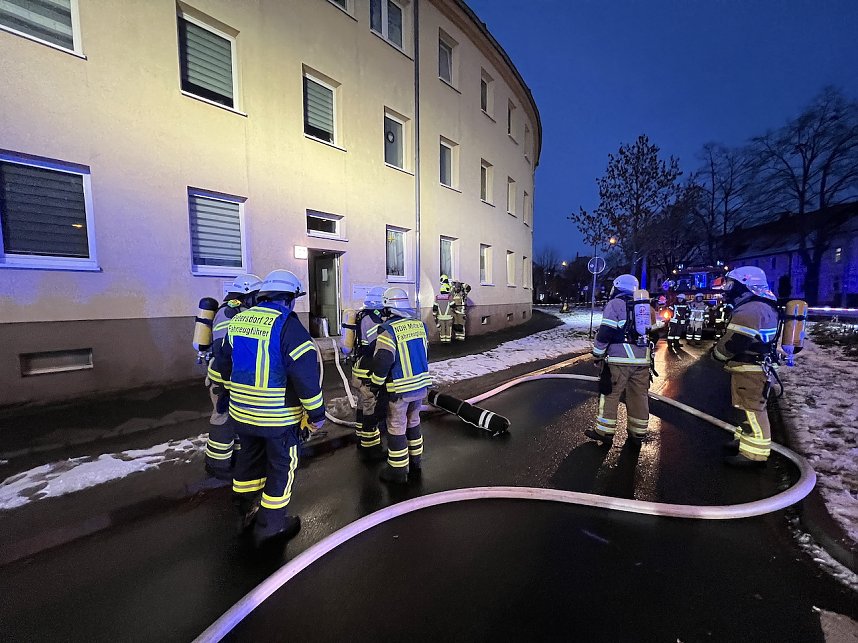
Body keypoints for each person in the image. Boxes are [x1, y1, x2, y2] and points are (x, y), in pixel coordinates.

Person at [211, 269, 325, 547]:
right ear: (288, 298)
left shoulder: (239, 321)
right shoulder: (288, 326)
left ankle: (247, 509)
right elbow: (305, 377)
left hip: (242, 415)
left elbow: (222, 364)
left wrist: (229, 395)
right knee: (280, 468)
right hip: (277, 418)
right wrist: (317, 414)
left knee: (249, 460)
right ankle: (271, 526)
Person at [711, 266, 780, 467]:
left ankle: (755, 456)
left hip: (751, 368)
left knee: (752, 408)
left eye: (731, 284)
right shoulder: (760, 306)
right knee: (743, 407)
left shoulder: (751, 309)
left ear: (746, 285)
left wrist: (717, 355)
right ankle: (744, 441)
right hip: (750, 366)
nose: (727, 289)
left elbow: (735, 342)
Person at [585, 274, 657, 447]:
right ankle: (637, 434)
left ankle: (604, 432)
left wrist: (597, 353)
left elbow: (606, 332)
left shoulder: (615, 304)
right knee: (639, 396)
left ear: (617, 287)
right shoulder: (647, 308)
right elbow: (653, 334)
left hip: (619, 360)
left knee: (610, 394)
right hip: (642, 362)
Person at [204, 274, 262, 480]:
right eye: (256, 295)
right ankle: (216, 464)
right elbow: (222, 351)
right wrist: (228, 385)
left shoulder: (242, 311)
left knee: (237, 418)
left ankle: (235, 458)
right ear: (247, 293)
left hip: (235, 379)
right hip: (222, 379)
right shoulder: (228, 313)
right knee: (222, 417)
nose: (259, 299)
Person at [370, 287, 431, 484]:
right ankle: (416, 462)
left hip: (399, 390)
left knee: (396, 426)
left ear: (388, 309)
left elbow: (383, 361)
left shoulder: (388, 331)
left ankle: (397, 471)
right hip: (420, 385)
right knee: (413, 422)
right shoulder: (420, 325)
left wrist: (375, 385)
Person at [348, 286, 388, 460]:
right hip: (368, 368)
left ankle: (360, 436)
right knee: (370, 405)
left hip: (359, 367)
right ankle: (370, 446)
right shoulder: (373, 320)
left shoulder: (362, 315)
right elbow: (375, 345)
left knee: (362, 404)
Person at [432, 275, 454, 343]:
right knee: (448, 329)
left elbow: (435, 307)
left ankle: (443, 341)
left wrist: (434, 315)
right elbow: (453, 306)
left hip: (440, 317)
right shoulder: (449, 297)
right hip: (449, 317)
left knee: (442, 330)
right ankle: (448, 341)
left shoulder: (437, 297)